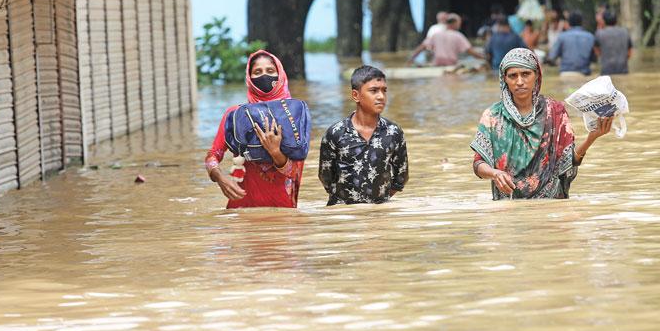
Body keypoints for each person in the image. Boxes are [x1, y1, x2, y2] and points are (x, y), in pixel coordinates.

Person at [471, 48, 612, 200]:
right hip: (509, 206)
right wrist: (495, 173)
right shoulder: (493, 116)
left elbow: (568, 162)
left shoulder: (555, 111)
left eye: (525, 74)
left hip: (550, 206)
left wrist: (592, 137)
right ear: (504, 78)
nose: (519, 81)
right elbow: (478, 164)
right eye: (513, 76)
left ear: (536, 75)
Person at [205, 50, 306, 208]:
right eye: (257, 72)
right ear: (249, 78)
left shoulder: (293, 115)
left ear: (280, 75)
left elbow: (293, 172)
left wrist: (275, 153)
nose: (264, 76)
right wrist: (219, 177)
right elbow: (212, 156)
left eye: (270, 71)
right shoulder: (235, 116)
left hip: (283, 214)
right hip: (241, 212)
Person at [319, 66, 409, 205]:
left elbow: (401, 176)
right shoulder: (336, 133)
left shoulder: (393, 132)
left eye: (384, 90)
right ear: (356, 95)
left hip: (379, 216)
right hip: (343, 216)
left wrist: (379, 201)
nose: (381, 96)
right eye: (374, 91)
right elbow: (325, 176)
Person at [409, 14, 486, 66]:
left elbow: (421, 47)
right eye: (459, 23)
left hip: (437, 64)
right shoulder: (458, 35)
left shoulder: (436, 35)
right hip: (451, 64)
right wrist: (484, 58)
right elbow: (471, 52)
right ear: (454, 23)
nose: (460, 25)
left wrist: (411, 59)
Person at [546, 11, 596, 76]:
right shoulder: (590, 37)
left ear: (569, 23)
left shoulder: (562, 37)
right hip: (584, 74)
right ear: (581, 22)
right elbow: (594, 58)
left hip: (566, 74)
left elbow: (552, 57)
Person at [594, 9, 633, 75]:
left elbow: (597, 52)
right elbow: (629, 54)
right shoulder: (625, 32)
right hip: (623, 72)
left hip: (606, 72)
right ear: (616, 20)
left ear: (603, 21)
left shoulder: (599, 33)